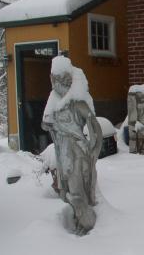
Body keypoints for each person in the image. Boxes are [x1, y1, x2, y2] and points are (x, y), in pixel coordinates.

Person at [42, 57, 102, 235]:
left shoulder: (76, 102)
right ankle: (78, 219)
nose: (55, 85)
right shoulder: (54, 100)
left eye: (58, 81)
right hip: (63, 153)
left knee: (77, 192)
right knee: (66, 191)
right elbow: (45, 123)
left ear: (67, 81)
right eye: (53, 81)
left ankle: (87, 224)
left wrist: (94, 149)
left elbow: (94, 126)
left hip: (76, 152)